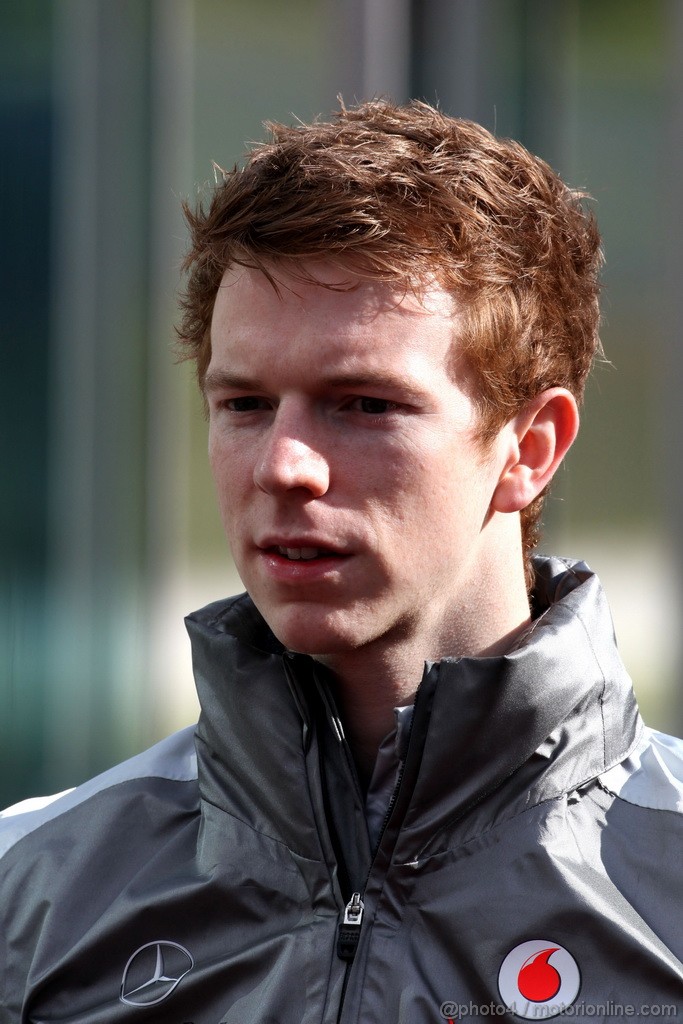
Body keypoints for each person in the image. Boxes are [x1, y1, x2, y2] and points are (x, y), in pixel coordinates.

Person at [1, 99, 682, 1022]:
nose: (283, 464)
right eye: (243, 404)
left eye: (362, 404)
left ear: (529, 448)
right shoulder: (34, 890)